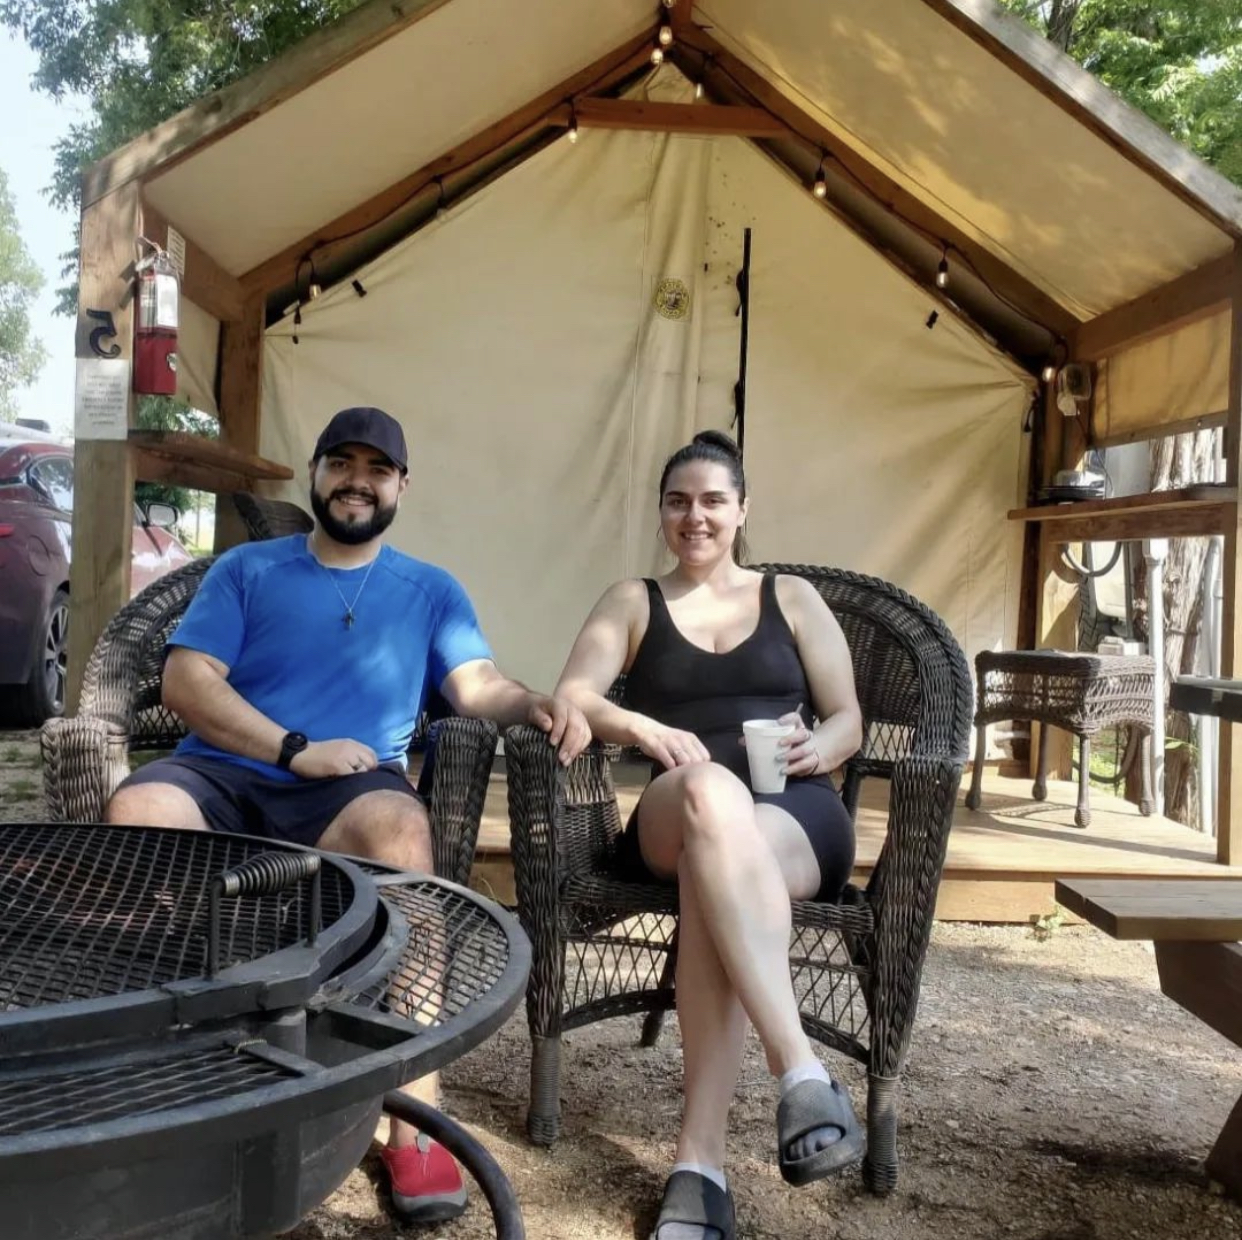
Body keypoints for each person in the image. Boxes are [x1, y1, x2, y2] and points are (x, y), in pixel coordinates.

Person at [106, 405, 589, 1227]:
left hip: (351, 790)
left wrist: (537, 702)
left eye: (377, 468)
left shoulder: (431, 589)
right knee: (140, 811)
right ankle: (164, 1080)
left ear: (402, 485)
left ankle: (414, 1116)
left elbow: (476, 686)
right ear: (317, 472)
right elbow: (188, 682)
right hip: (226, 770)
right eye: (342, 462)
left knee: (405, 839)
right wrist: (293, 747)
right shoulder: (248, 569)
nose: (357, 480)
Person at [554, 430, 864, 1240]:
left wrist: (821, 748)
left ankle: (700, 1165)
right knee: (707, 798)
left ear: (742, 509)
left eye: (713, 500)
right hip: (675, 802)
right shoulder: (631, 600)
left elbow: (849, 717)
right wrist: (643, 729)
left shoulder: (792, 596)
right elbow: (576, 696)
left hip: (796, 813)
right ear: (662, 512)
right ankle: (797, 1067)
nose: (695, 517)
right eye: (678, 501)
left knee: (716, 872)